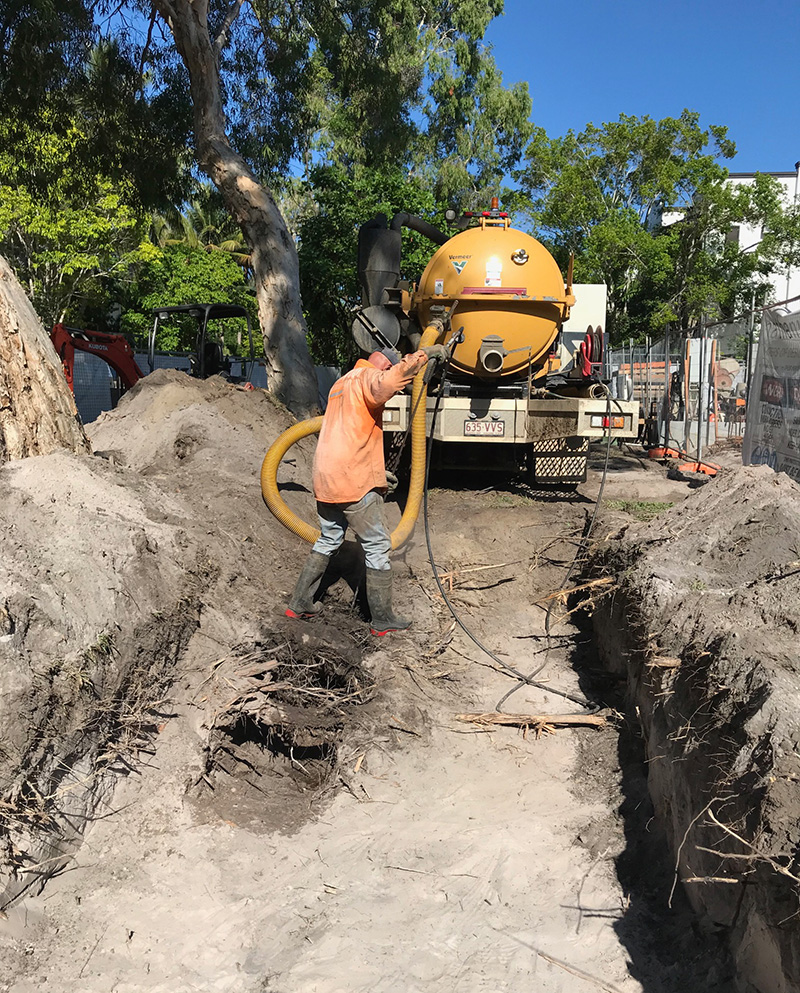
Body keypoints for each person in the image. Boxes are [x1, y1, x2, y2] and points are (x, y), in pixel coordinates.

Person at [286, 344, 448, 635]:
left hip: (327, 477)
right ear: (383, 366)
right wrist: (425, 355)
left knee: (328, 539)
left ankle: (299, 603)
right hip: (352, 482)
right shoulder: (368, 378)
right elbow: (388, 382)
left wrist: (377, 472)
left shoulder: (341, 382)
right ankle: (383, 619)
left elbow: (350, 432)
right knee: (376, 546)